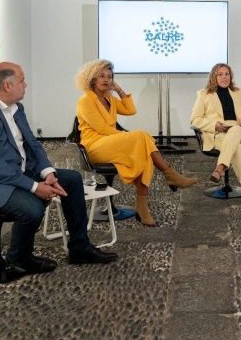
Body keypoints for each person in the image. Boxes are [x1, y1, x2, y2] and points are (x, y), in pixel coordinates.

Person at [0, 62, 118, 277]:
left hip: (21, 171)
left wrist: (47, 172)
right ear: (7, 86)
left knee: (72, 179)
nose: (26, 85)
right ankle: (18, 258)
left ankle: (80, 248)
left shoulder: (17, 108)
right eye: (22, 80)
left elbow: (32, 144)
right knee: (32, 209)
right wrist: (34, 186)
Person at [75, 60, 196, 226]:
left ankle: (142, 207)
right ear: (92, 79)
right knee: (141, 137)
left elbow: (130, 110)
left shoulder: (109, 98)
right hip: (94, 147)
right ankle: (169, 174)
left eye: (109, 77)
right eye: (101, 76)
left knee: (144, 151)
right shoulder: (85, 100)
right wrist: (128, 137)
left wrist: (119, 90)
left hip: (111, 143)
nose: (106, 80)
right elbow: (101, 128)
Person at [190, 63, 241, 209]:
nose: (224, 77)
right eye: (220, 74)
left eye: (227, 74)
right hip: (219, 133)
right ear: (214, 77)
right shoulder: (203, 95)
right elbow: (195, 120)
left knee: (235, 130)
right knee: (237, 150)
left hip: (239, 131)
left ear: (231, 76)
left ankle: (220, 167)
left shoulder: (238, 93)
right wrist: (214, 125)